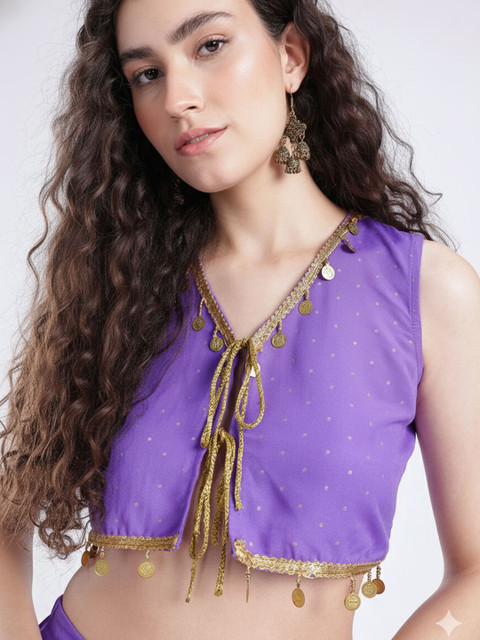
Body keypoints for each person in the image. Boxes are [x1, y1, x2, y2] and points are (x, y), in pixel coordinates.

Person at [1, 0, 479, 638]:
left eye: (209, 46)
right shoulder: (118, 281)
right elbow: (11, 500)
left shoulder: (424, 290)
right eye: (147, 74)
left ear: (291, 57)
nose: (178, 99)